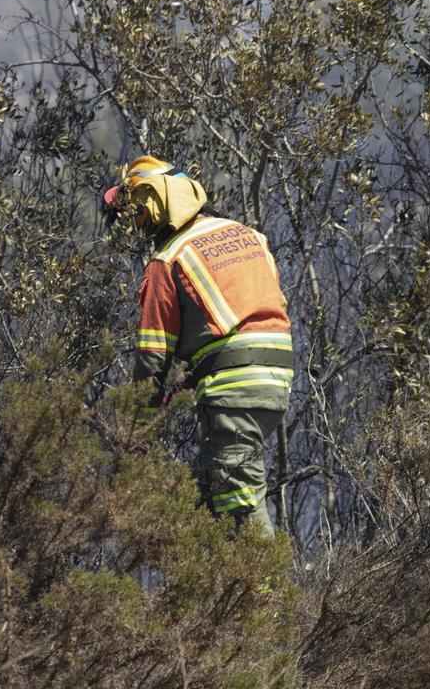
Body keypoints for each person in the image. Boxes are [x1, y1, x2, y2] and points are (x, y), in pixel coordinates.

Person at [103, 156, 293, 535]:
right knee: (213, 490)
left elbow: (153, 358)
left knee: (237, 500)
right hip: (276, 379)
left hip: (233, 388)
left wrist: (136, 431)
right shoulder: (247, 235)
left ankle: (269, 592)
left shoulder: (168, 259)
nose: (130, 223)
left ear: (151, 205)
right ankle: (225, 587)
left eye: (130, 210)